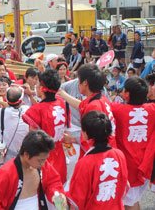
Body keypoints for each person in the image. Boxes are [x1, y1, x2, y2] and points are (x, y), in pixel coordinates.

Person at [0, 130, 65, 209]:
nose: (43, 163)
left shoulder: (41, 165)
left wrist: (56, 194)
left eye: (45, 159)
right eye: (40, 160)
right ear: (26, 155)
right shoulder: (6, 173)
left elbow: (53, 181)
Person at [68, 111, 128, 209]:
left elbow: (77, 199)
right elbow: (124, 184)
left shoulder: (85, 163)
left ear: (86, 134)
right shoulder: (119, 154)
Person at [111, 77, 155, 209]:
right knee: (134, 201)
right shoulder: (152, 109)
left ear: (126, 94)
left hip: (128, 167)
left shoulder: (117, 109)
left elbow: (91, 104)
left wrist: (63, 95)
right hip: (145, 165)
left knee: (128, 204)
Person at [22, 70, 68, 184]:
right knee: (58, 191)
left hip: (43, 159)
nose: (36, 86)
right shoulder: (61, 102)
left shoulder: (35, 111)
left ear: (42, 88)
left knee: (44, 192)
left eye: (38, 83)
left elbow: (32, 140)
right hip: (60, 156)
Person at [58, 63, 117, 153]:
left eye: (79, 80)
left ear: (85, 82)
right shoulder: (101, 98)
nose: (77, 84)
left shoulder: (94, 106)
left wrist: (73, 139)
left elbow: (94, 135)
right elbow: (81, 105)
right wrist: (63, 94)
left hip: (99, 152)